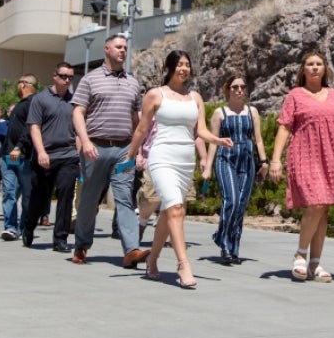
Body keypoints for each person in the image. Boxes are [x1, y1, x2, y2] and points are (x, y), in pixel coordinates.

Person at [130, 50, 232, 288]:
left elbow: (201, 131)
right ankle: (183, 264)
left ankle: (152, 259)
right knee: (176, 209)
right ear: (170, 67)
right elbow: (142, 129)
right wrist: (129, 155)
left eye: (187, 64)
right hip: (161, 157)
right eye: (179, 64)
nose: (184, 69)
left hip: (185, 161)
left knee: (169, 212)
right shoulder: (156, 94)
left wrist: (218, 140)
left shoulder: (195, 97)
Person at [269, 50, 334, 283]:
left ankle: (315, 263)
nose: (314, 67)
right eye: (310, 64)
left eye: (318, 64)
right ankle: (301, 255)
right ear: (303, 69)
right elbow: (284, 128)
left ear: (325, 69)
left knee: (323, 210)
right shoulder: (295, 96)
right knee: (316, 203)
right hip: (304, 156)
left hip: (332, 158)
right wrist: (275, 159)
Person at [70, 34, 146, 267]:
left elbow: (137, 121)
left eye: (125, 47)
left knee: (125, 199)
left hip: (124, 149)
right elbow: (77, 113)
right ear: (106, 49)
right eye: (118, 47)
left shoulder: (133, 83)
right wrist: (85, 141)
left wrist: (139, 151)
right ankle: (81, 245)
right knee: (90, 200)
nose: (123, 51)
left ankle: (131, 249)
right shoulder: (90, 80)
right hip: (96, 147)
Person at [204, 74, 268, 265]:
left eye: (242, 87)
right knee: (230, 200)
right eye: (234, 87)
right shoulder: (219, 113)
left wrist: (263, 162)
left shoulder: (252, 112)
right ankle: (223, 242)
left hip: (246, 161)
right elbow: (213, 143)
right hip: (226, 158)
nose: (239, 90)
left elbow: (258, 139)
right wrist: (207, 167)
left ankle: (233, 248)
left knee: (240, 205)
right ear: (227, 90)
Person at [26, 63, 80, 253]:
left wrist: (80, 156)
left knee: (66, 195)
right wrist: (41, 152)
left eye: (70, 77)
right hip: (45, 156)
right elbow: (34, 128)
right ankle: (29, 226)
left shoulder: (74, 102)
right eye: (64, 76)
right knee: (40, 197)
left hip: (68, 156)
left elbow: (79, 132)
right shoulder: (40, 99)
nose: (67, 80)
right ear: (54, 76)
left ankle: (60, 239)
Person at [0, 77, 37, 242]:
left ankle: (25, 228)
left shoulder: (32, 104)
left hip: (24, 157)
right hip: (8, 157)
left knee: (28, 196)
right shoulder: (19, 105)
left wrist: (19, 147)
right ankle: (10, 228)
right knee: (9, 192)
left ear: (23, 84)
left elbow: (30, 128)